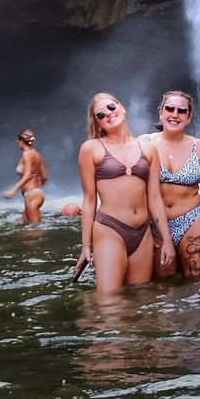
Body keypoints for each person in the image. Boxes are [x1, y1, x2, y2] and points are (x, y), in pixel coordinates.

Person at [75, 93, 175, 292]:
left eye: (111, 107)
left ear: (122, 108)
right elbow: (89, 201)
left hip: (143, 234)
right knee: (109, 301)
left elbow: (154, 198)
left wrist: (167, 240)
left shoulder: (148, 148)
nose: (108, 114)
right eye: (100, 114)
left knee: (140, 299)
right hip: (110, 230)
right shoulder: (91, 149)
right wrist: (86, 245)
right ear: (98, 124)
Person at [139, 90, 200, 278]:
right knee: (163, 284)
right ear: (161, 112)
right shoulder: (143, 143)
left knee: (197, 281)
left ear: (189, 118)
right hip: (155, 224)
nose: (175, 114)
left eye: (181, 111)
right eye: (170, 109)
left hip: (193, 220)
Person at [4, 129, 48, 224]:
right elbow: (44, 176)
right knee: (21, 224)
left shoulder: (26, 154)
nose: (17, 143)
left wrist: (13, 191)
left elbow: (28, 174)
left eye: (18, 141)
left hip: (32, 196)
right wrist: (38, 187)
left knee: (35, 228)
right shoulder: (37, 155)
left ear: (21, 142)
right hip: (35, 194)